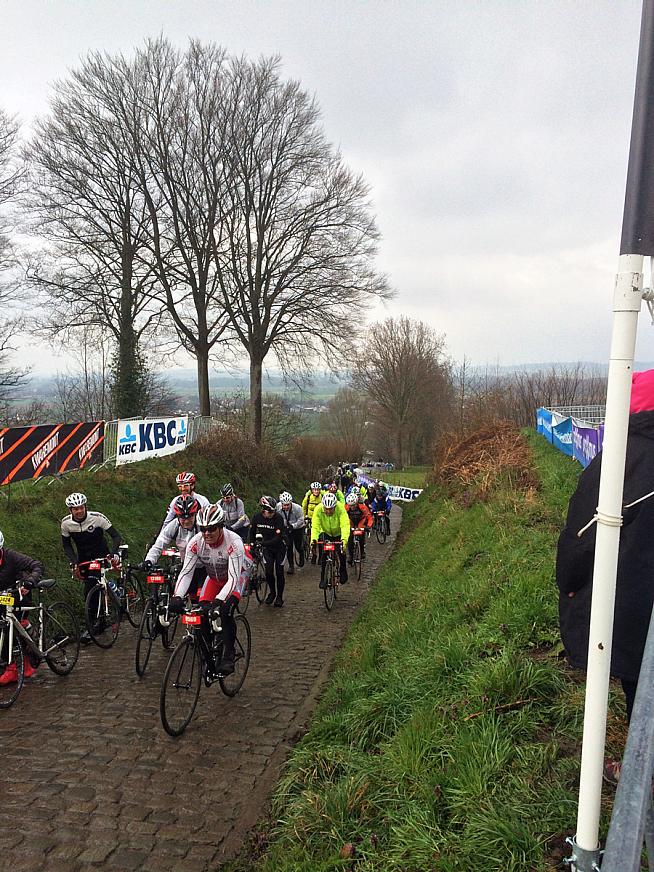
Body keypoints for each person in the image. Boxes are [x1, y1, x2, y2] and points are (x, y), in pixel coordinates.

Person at [557, 371, 654, 784]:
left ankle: (640, 774)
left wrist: (569, 583)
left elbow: (580, 538)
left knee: (641, 691)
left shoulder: (618, 462)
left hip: (635, 608)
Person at [169, 504, 244, 677]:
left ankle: (228, 654)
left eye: (212, 529)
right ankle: (208, 654)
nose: (207, 533)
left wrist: (218, 601)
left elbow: (233, 578)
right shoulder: (195, 543)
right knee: (200, 613)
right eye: (203, 529)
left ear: (221, 526)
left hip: (234, 579)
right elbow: (186, 572)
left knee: (225, 611)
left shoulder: (233, 542)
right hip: (214, 579)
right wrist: (177, 597)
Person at [61, 492, 122, 644]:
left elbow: (116, 536)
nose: (79, 511)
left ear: (85, 506)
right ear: (70, 510)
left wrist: (112, 554)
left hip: (101, 555)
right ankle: (98, 620)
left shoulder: (97, 517)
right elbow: (67, 545)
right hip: (84, 559)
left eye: (81, 507)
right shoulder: (66, 523)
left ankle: (94, 624)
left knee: (91, 586)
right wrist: (74, 562)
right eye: (75, 509)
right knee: (91, 589)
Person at [0, 529, 44, 684]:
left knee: (8, 628)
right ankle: (22, 662)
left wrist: (30, 581)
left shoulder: (11, 556)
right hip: (2, 598)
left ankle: (12, 669)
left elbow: (36, 565)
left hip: (19, 595)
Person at [249, 496, 287, 607]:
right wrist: (252, 544)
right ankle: (272, 593)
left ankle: (279, 596)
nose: (271, 514)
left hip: (280, 547)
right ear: (263, 510)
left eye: (273, 511)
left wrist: (262, 544)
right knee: (269, 572)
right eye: (269, 511)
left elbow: (278, 538)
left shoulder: (278, 518)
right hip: (267, 549)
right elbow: (251, 532)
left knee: (279, 572)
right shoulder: (256, 517)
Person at [311, 492, 350, 589]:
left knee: (341, 552)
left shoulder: (340, 508)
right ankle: (323, 578)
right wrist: (314, 540)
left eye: (331, 509)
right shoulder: (318, 509)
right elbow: (315, 526)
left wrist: (344, 540)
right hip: (326, 533)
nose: (328, 511)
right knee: (324, 554)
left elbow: (345, 525)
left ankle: (343, 569)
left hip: (339, 532)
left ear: (335, 506)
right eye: (326, 509)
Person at [276, 491, 306, 575]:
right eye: (284, 505)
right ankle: (291, 565)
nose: (286, 507)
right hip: (286, 528)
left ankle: (301, 553)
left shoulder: (297, 508)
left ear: (291, 503)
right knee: (288, 546)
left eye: (288, 505)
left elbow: (301, 520)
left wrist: (293, 526)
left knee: (297, 545)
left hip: (297, 527)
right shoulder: (277, 508)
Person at [345, 491, 373, 563]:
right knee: (350, 538)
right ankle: (350, 556)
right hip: (351, 522)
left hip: (360, 521)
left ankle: (362, 551)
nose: (352, 507)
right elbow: (342, 517)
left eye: (354, 505)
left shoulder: (362, 507)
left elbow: (369, 517)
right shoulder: (346, 507)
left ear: (357, 503)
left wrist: (368, 526)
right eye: (350, 505)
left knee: (361, 535)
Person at [302, 482, 324, 564]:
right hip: (310, 519)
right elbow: (304, 507)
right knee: (312, 539)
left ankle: (321, 557)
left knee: (321, 538)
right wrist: (304, 517)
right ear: (312, 490)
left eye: (318, 490)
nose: (316, 491)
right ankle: (314, 555)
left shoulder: (322, 497)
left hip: (320, 519)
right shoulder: (308, 497)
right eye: (314, 490)